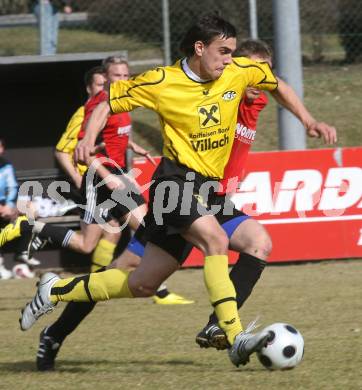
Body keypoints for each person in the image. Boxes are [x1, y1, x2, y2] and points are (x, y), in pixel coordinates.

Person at [20, 14, 336, 368]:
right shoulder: (162, 80)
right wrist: (89, 139)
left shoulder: (238, 72)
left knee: (145, 282)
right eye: (223, 51)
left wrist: (308, 120)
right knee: (214, 241)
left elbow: (275, 82)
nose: (230, 60)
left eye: (233, 52)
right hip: (176, 183)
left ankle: (55, 290)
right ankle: (233, 336)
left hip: (211, 192)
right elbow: (109, 99)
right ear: (199, 48)